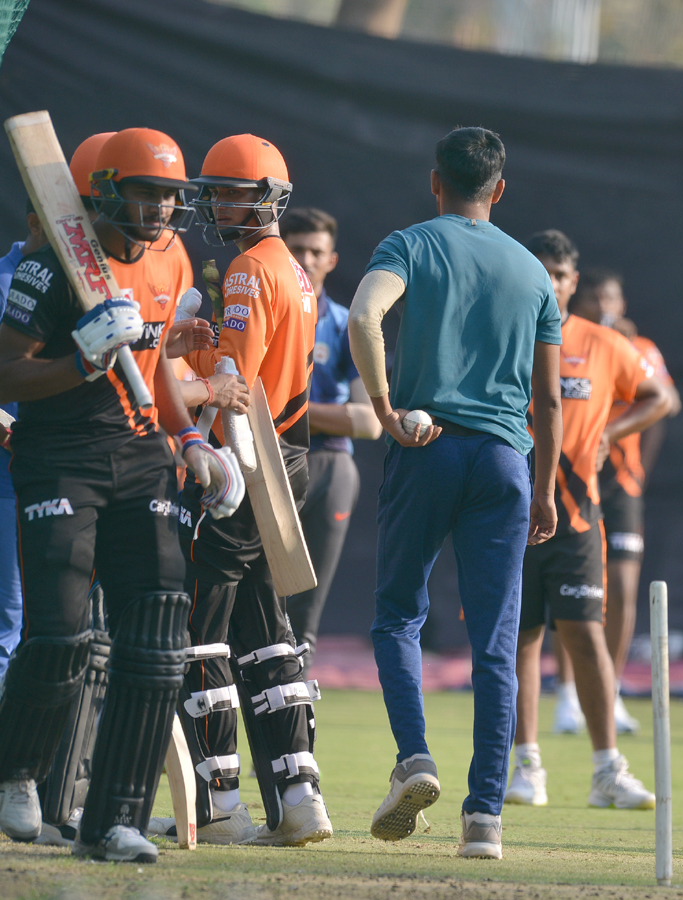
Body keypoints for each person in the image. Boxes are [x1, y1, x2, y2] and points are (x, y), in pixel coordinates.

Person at [0, 128, 244, 863]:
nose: (165, 208)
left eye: (173, 194)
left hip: (140, 452)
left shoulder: (169, 258)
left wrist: (195, 442)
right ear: (103, 190)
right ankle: (15, 770)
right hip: (58, 456)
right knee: (64, 633)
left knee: (160, 629)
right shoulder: (47, 269)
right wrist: (80, 357)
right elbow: (7, 373)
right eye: (148, 192)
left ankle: (114, 818)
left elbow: (158, 364)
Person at [347, 126, 562, 860]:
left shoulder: (409, 243)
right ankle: (485, 820)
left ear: (435, 181)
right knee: (496, 646)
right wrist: (548, 490)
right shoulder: (534, 272)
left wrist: (381, 409)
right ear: (499, 190)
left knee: (397, 617)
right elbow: (553, 399)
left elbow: (365, 316)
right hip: (507, 460)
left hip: (426, 446)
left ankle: (415, 760)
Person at [155, 134, 328, 848]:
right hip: (287, 455)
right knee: (267, 633)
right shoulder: (292, 268)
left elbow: (233, 384)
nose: (215, 203)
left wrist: (172, 352)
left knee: (202, 631)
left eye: (227, 191)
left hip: (243, 457)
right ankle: (298, 796)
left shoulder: (251, 270)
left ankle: (219, 802)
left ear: (263, 198)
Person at [507, 231, 670, 811]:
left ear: (574, 282)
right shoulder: (502, 333)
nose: (551, 284)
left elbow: (659, 397)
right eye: (542, 272)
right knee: (519, 639)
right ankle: (526, 766)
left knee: (584, 635)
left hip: (578, 515)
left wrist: (611, 433)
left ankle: (607, 772)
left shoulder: (602, 343)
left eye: (561, 275)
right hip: (510, 511)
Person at [566, 267, 682, 734]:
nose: (605, 308)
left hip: (621, 483)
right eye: (595, 300)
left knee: (624, 588)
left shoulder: (640, 349)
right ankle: (568, 696)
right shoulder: (569, 344)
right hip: (574, 477)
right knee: (572, 588)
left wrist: (639, 471)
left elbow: (664, 404)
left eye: (612, 299)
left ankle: (609, 692)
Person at [281, 208, 381, 670]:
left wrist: (285, 413)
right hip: (265, 463)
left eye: (314, 251)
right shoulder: (255, 313)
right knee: (255, 601)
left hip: (326, 466)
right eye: (295, 249)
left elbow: (368, 422)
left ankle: (295, 728)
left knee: (304, 614)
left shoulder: (346, 325)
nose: (304, 259)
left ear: (331, 260)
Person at [0, 201, 45, 684]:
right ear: (34, 222)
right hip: (9, 483)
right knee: (8, 624)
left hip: (70, 482)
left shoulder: (79, 285)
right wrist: (17, 434)